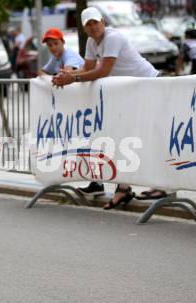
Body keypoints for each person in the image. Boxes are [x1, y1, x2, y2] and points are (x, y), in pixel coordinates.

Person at [52, 7, 163, 209]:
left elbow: (102, 71)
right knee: (126, 136)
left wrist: (72, 78)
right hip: (131, 91)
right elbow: (87, 68)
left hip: (150, 84)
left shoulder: (113, 37)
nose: (93, 27)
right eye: (88, 24)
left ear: (103, 21)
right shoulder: (92, 42)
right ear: (84, 28)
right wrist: (68, 72)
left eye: (95, 22)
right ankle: (124, 188)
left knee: (151, 134)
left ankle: (164, 186)